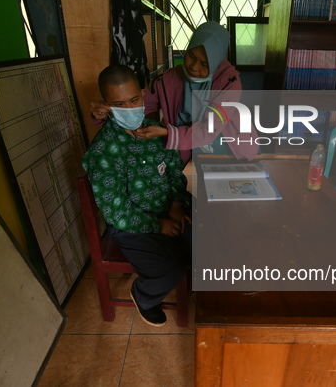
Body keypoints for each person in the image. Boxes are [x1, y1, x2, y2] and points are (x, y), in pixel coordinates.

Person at [82, 65, 192, 327]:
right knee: (169, 271)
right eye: (120, 104)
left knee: (210, 240)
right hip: (132, 226)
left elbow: (176, 173)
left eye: (134, 100)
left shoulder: (156, 131)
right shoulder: (104, 151)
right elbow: (116, 210)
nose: (131, 109)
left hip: (168, 210)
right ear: (106, 107)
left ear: (143, 95)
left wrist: (176, 206)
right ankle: (144, 297)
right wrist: (158, 225)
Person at [91, 21, 259, 165]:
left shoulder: (229, 84)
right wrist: (110, 111)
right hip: (184, 146)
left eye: (204, 63)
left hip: (223, 145)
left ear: (216, 61)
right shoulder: (169, 79)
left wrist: (167, 133)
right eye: (191, 56)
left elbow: (209, 131)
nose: (193, 67)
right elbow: (138, 103)